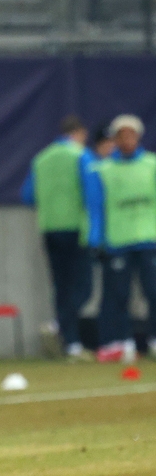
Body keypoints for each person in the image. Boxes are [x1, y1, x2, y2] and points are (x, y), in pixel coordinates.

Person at [84, 114, 156, 363]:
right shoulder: (102, 169)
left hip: (149, 239)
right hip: (118, 241)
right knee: (118, 295)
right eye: (121, 136)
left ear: (138, 137)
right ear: (115, 139)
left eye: (131, 135)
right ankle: (123, 343)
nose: (126, 141)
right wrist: (95, 241)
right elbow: (96, 208)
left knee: (153, 291)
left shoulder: (151, 164)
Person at [21, 116, 92, 360]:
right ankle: (59, 326)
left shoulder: (41, 158)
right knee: (83, 287)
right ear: (79, 133)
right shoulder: (80, 155)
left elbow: (28, 195)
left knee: (61, 287)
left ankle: (69, 341)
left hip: (50, 229)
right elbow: (91, 193)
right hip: (76, 228)